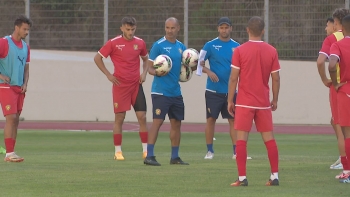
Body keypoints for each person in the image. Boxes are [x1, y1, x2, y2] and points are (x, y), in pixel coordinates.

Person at [227, 16, 280, 186]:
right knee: (269, 139)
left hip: (244, 102)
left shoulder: (239, 51)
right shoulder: (271, 50)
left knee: (241, 139)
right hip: (263, 102)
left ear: (247, 30)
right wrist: (275, 99)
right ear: (263, 31)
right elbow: (276, 79)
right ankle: (274, 176)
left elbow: (233, 78)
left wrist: (230, 100)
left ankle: (242, 178)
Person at [94, 17, 149, 160]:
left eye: (133, 29)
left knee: (142, 117)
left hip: (136, 85)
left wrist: (144, 73)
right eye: (128, 29)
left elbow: (146, 60)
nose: (130, 32)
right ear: (122, 28)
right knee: (120, 118)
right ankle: (118, 152)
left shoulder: (140, 43)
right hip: (120, 86)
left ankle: (146, 150)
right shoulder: (113, 43)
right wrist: (108, 75)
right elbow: (97, 58)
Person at [196, 17, 251, 160]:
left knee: (233, 121)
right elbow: (198, 64)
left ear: (231, 28)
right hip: (213, 91)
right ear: (218, 29)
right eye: (221, 27)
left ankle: (236, 152)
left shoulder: (237, 46)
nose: (224, 30)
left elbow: (242, 68)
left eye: (226, 27)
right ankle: (209, 151)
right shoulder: (210, 45)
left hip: (231, 92)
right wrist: (209, 71)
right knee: (211, 119)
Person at [143, 17, 189, 166]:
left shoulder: (181, 47)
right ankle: (149, 156)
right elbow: (148, 67)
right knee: (157, 122)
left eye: (173, 28)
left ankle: (174, 157)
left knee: (176, 124)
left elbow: (185, 66)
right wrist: (157, 72)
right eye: (167, 28)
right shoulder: (158, 45)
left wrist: (191, 68)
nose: (170, 31)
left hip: (176, 92)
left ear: (178, 28)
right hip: (160, 92)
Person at [317, 8, 350, 178]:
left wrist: (327, 80)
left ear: (337, 23)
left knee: (342, 128)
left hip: (341, 88)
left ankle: (345, 164)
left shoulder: (333, 39)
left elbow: (322, 61)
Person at [0, 15, 31, 162]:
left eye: (28, 29)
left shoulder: (26, 47)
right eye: (24, 29)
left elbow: (26, 68)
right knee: (11, 117)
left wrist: (25, 83)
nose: (26, 32)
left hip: (19, 87)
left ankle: (12, 152)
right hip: (5, 86)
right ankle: (8, 154)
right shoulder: (4, 42)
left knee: (16, 119)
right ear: (16, 27)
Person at [329, 14, 350, 184]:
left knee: (347, 133)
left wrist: (335, 82)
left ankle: (347, 170)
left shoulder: (338, 44)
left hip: (346, 90)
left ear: (342, 28)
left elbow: (331, 63)